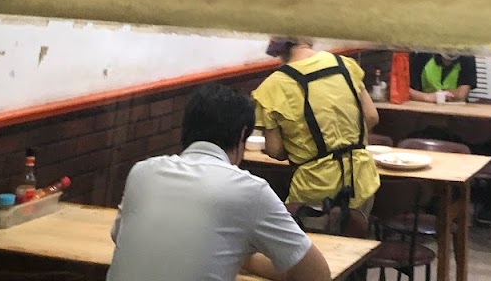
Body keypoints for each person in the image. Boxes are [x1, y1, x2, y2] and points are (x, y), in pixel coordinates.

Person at [107, 83, 329, 281]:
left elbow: (118, 235)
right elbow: (317, 274)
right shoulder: (249, 190)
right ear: (242, 135)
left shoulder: (142, 172)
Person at [252, 37, 380, 215]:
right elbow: (372, 116)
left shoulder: (271, 87)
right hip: (361, 178)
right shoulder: (345, 65)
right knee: (357, 231)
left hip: (315, 187)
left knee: (314, 234)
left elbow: (275, 151)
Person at [408, 50, 477, 103]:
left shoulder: (467, 57)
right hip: (425, 106)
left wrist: (439, 95)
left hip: (455, 109)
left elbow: (460, 95)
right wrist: (428, 97)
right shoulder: (424, 54)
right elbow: (407, 90)